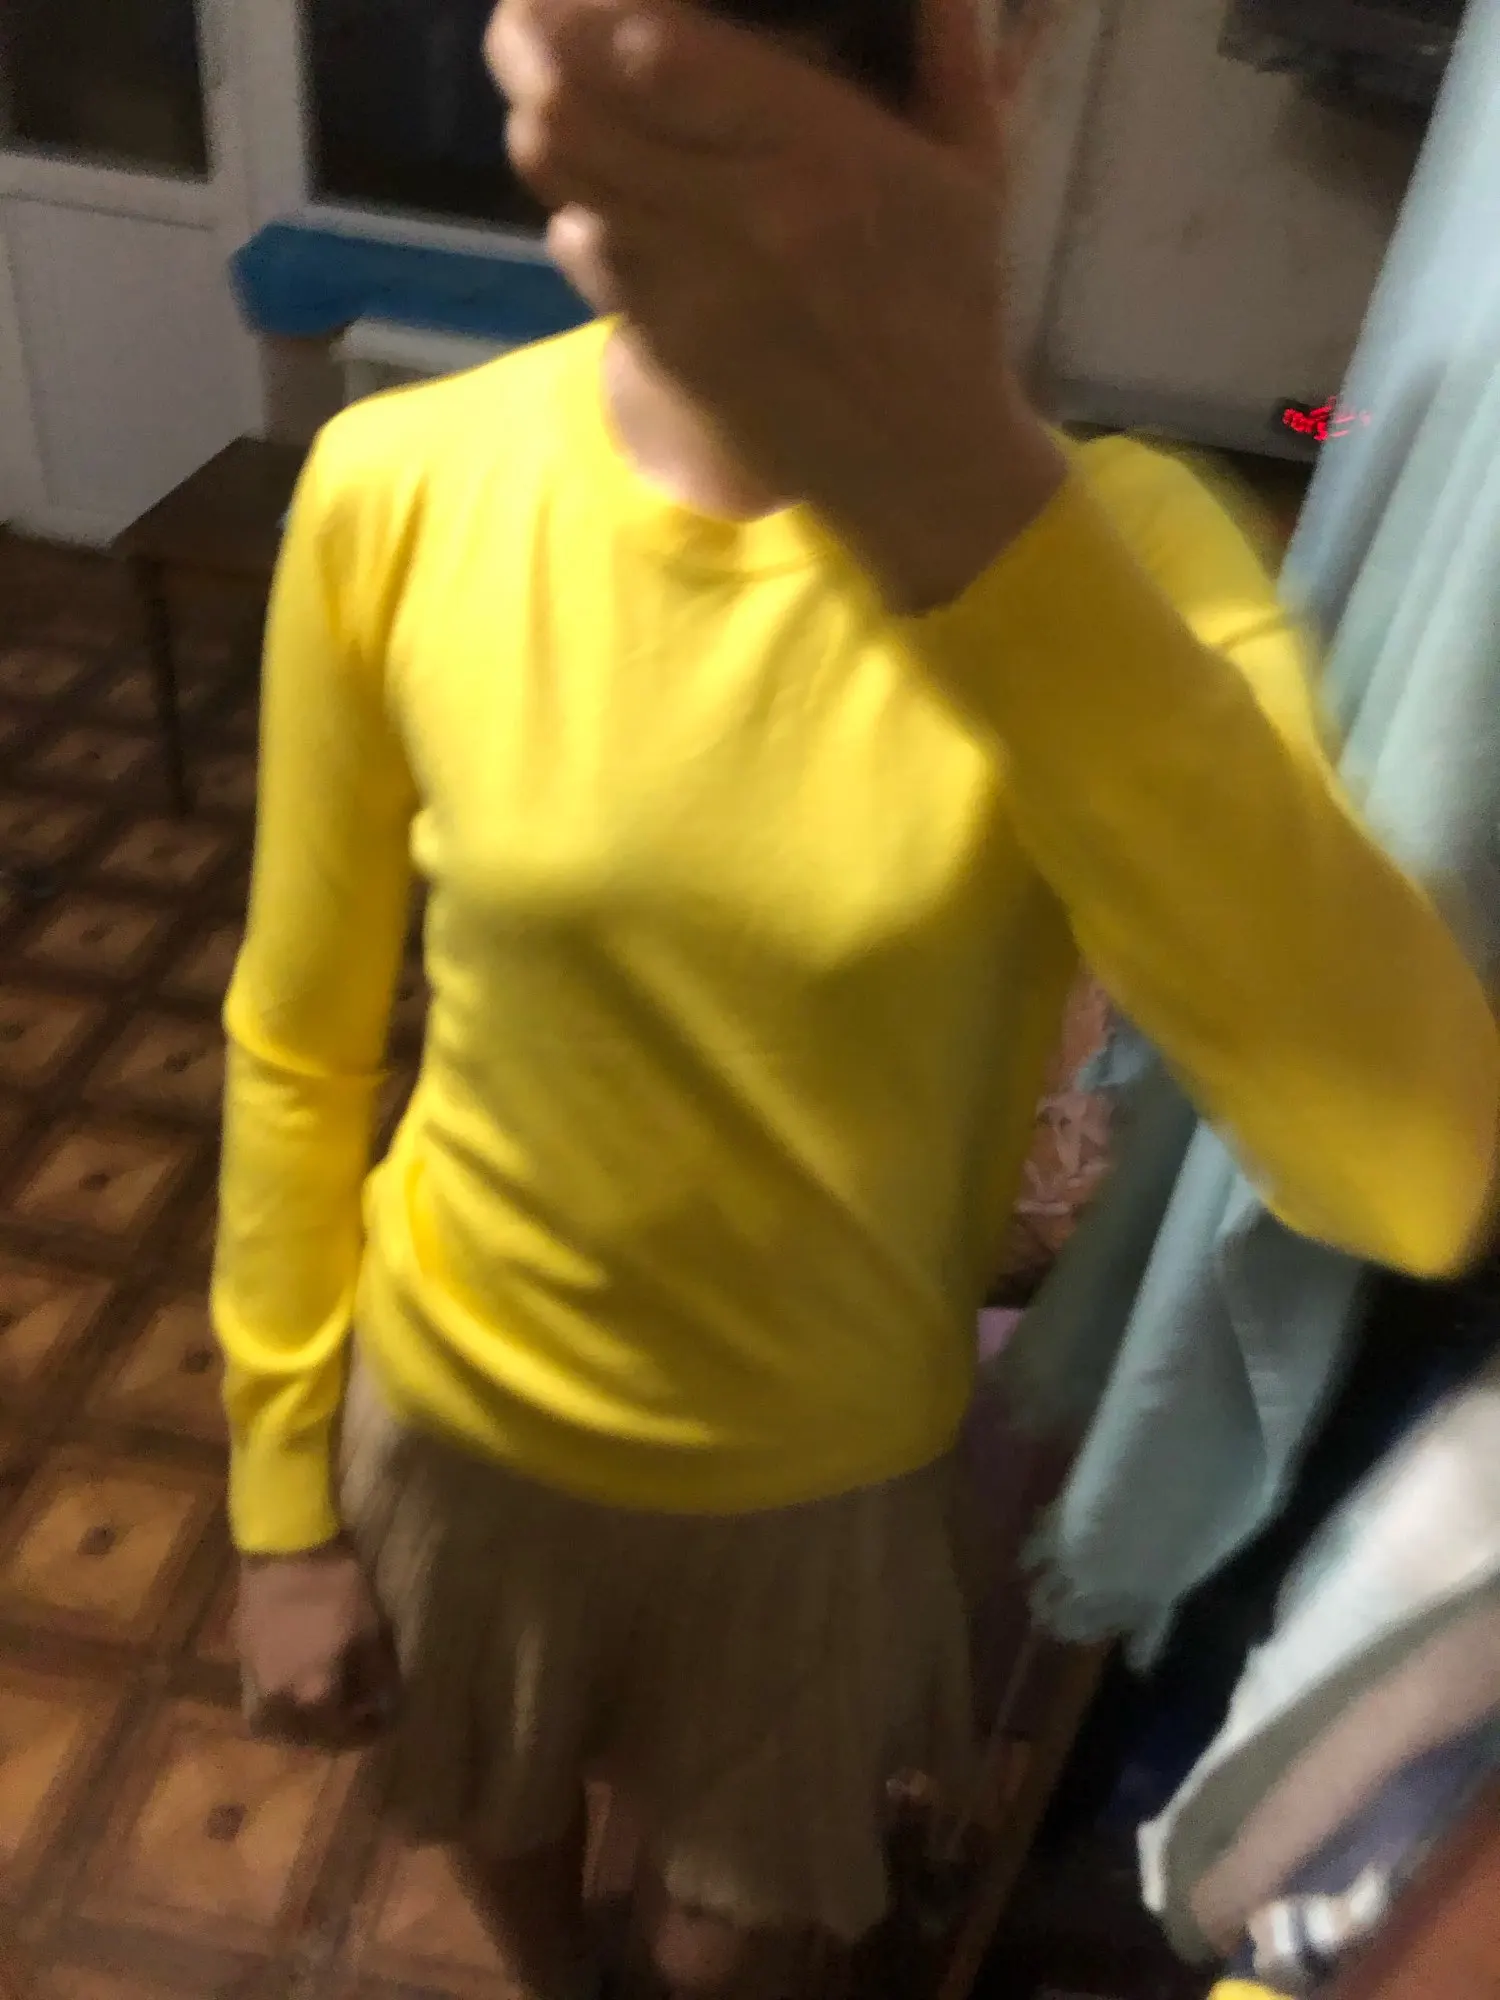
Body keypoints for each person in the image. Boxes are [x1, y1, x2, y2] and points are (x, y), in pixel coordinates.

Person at [215, 0, 1500, 1994]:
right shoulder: (401, 484)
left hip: (823, 1491)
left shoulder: (1125, 553)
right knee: (509, 1834)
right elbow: (295, 1044)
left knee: (735, 1953)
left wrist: (962, 497)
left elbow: (1405, 1166)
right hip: (462, 1424)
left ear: (1017, 50)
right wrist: (280, 1503)